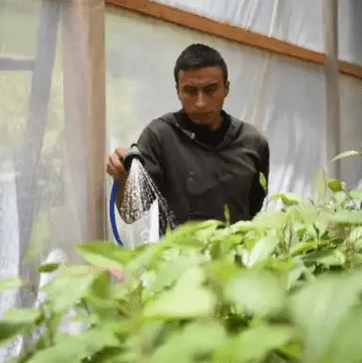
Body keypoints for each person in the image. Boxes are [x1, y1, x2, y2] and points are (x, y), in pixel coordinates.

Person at [106, 43, 270, 237]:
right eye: (190, 91)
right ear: (178, 91)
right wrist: (124, 177)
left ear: (226, 89)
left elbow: (255, 209)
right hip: (178, 262)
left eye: (210, 90)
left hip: (237, 261)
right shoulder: (160, 137)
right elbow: (131, 212)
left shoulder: (253, 142)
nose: (200, 102)